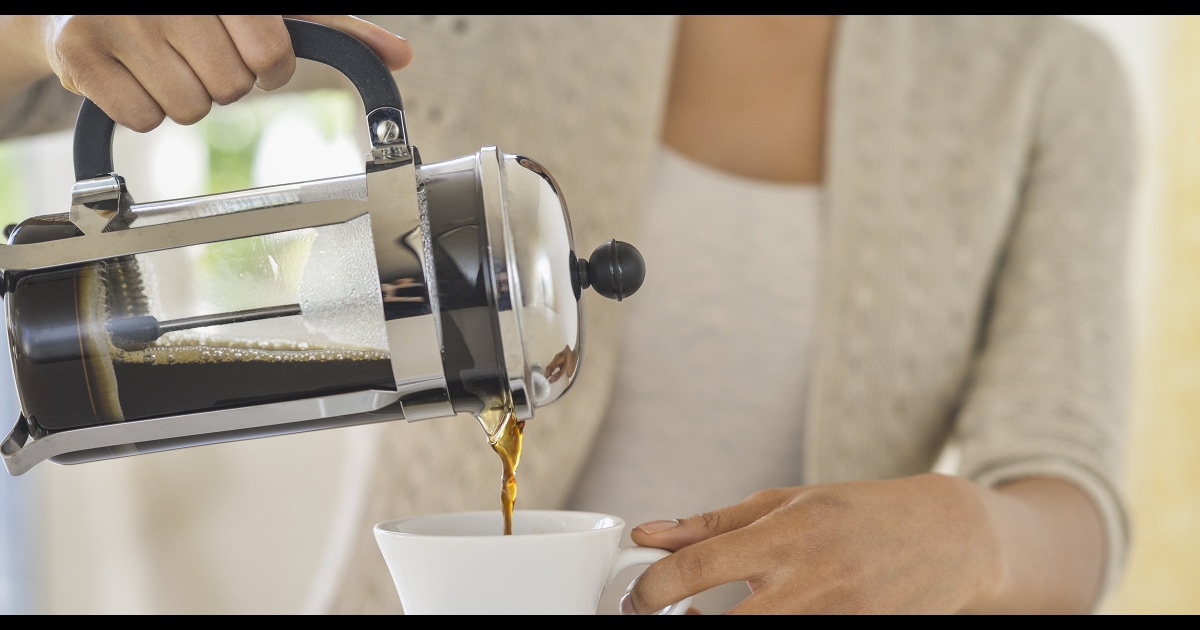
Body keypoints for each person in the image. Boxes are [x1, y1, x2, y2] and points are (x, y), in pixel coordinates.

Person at [0, 15, 1136, 614]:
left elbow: (1065, 495)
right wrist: (61, 23)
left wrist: (974, 534)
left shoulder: (1046, 79)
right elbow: (42, 85)